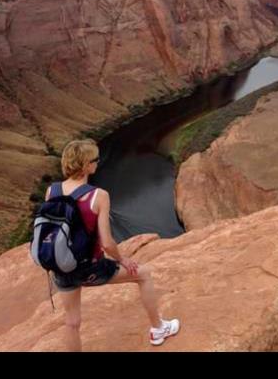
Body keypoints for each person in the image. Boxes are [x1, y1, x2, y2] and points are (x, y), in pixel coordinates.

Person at [46, 139, 180, 350]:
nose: (97, 163)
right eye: (95, 159)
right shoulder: (98, 196)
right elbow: (107, 243)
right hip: (90, 267)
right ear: (86, 165)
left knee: (72, 322)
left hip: (62, 267)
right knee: (143, 274)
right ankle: (158, 329)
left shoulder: (52, 191)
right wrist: (123, 260)